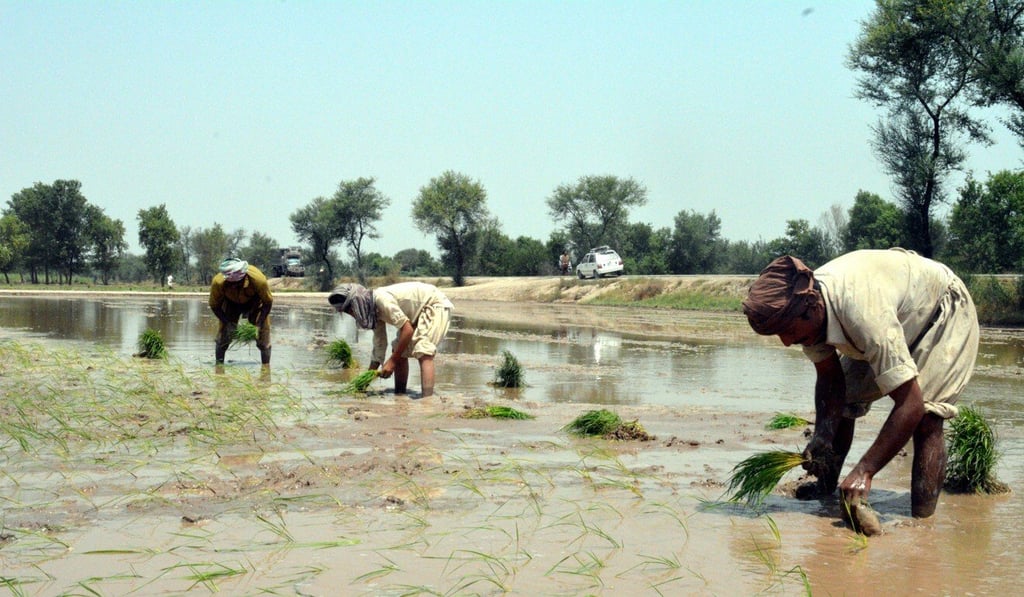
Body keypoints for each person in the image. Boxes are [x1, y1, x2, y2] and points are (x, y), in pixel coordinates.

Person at [742, 248, 979, 535]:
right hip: (898, 315)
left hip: (942, 310)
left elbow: (910, 404)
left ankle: (922, 525)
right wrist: (822, 435)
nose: (786, 341)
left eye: (788, 331)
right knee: (843, 405)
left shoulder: (863, 313)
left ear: (813, 307)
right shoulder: (803, 314)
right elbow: (831, 381)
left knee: (927, 416)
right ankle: (826, 488)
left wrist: (865, 471)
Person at [328, 281, 454, 398]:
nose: (352, 314)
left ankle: (427, 401)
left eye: (350, 310)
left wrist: (392, 361)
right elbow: (379, 344)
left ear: (357, 302)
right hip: (416, 314)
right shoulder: (372, 311)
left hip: (434, 304)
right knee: (398, 350)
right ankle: (400, 395)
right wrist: (365, 381)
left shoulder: (381, 300)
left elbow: (407, 329)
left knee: (423, 349)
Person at [209, 258, 274, 365]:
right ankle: (219, 367)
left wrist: (259, 323)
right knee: (223, 336)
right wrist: (227, 322)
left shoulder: (258, 280)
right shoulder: (218, 282)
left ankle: (266, 368)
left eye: (237, 283)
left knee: (263, 337)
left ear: (244, 277)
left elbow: (268, 302)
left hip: (255, 302)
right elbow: (214, 305)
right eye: (231, 284)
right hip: (231, 303)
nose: (234, 286)